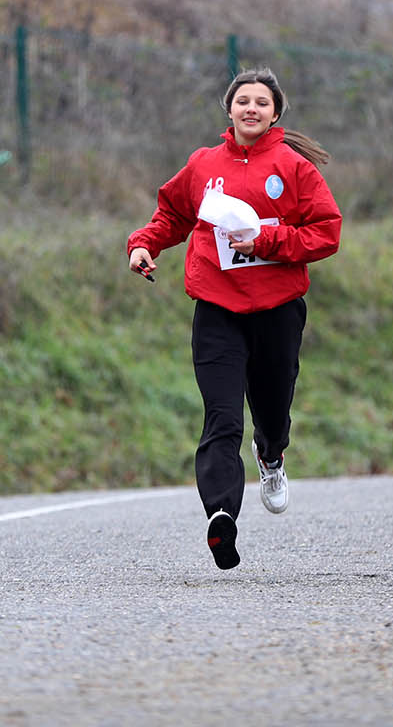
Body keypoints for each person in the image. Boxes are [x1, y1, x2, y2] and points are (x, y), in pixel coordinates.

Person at [127, 68, 341, 570]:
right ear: (229, 109)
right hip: (217, 308)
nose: (251, 108)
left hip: (276, 311)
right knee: (221, 417)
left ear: (275, 113)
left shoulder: (292, 168)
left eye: (261, 102)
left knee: (271, 409)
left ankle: (271, 455)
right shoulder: (204, 165)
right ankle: (221, 516)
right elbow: (174, 215)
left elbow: (326, 232)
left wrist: (267, 241)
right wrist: (143, 245)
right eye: (242, 100)